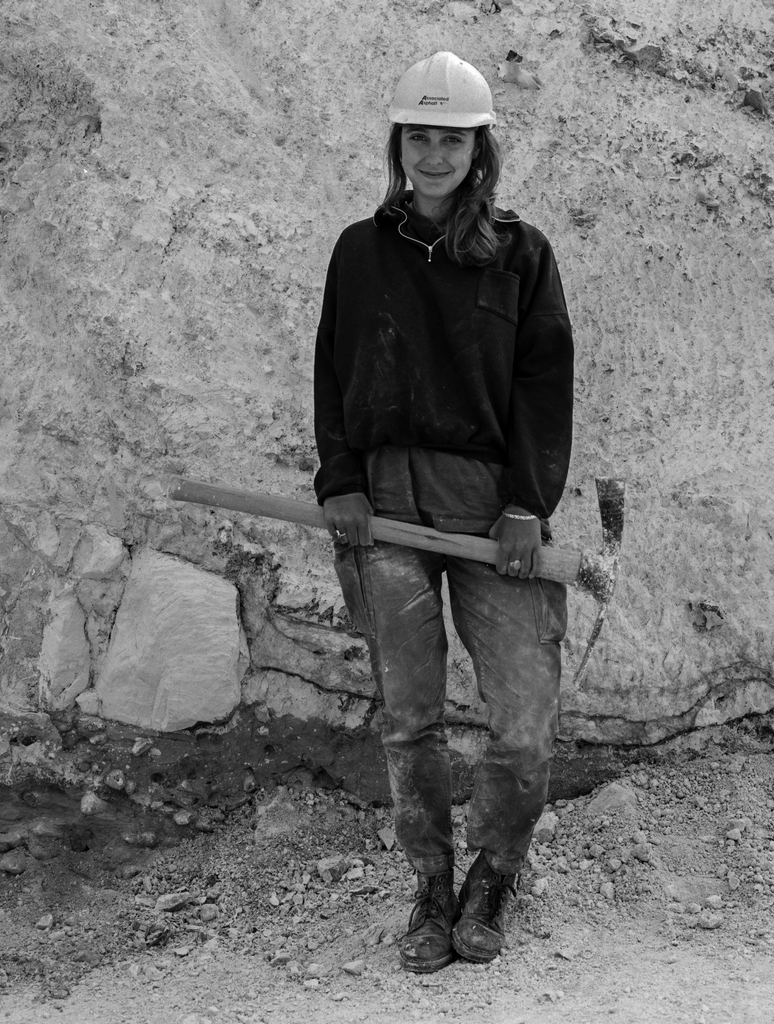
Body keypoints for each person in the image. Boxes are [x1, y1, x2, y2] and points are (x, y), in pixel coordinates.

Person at [312, 51, 574, 973]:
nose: (433, 155)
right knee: (408, 718)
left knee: (524, 723)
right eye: (418, 137)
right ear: (399, 144)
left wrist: (527, 504)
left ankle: (495, 876)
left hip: (491, 511)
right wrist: (340, 482)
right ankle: (431, 884)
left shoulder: (521, 255)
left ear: (479, 149)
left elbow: (544, 385)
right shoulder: (361, 251)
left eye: (451, 140)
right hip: (384, 505)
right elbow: (333, 371)